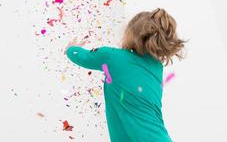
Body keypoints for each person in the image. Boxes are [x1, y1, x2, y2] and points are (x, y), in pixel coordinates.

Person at [65, 8, 188, 142]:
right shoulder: (156, 67)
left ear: (132, 34)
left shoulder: (112, 57)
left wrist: (72, 49)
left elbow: (83, 57)